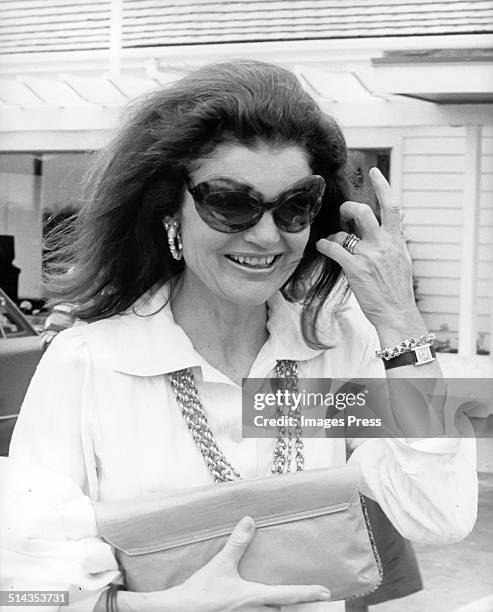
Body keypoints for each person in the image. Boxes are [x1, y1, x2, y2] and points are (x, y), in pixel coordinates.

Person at [3, 60, 477, 612]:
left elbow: (439, 513)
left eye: (295, 206)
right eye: (231, 202)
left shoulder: (333, 353)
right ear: (169, 212)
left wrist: (401, 321)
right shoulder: (88, 365)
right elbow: (22, 589)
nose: (266, 235)